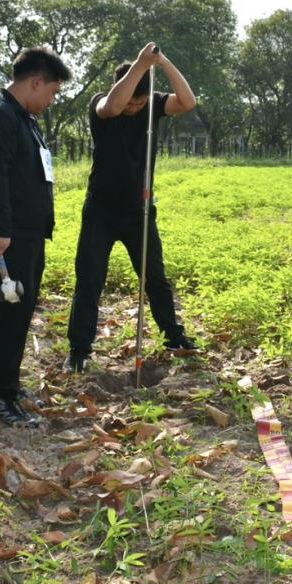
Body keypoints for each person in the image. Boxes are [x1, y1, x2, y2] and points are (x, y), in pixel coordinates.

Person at [66, 44, 199, 373]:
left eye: (140, 102)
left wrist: (163, 62)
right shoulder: (102, 103)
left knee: (155, 277)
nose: (134, 108)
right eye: (132, 102)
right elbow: (113, 106)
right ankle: (79, 349)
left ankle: (174, 337)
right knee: (90, 279)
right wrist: (140, 64)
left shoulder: (152, 105)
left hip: (138, 212)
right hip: (101, 210)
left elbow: (188, 101)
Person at [0, 47, 71, 426]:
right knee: (10, 310)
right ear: (36, 82)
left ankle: (7, 382)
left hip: (25, 234)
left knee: (20, 309)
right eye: (53, 92)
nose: (52, 99)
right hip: (7, 237)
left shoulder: (23, 117)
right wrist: (0, 230)